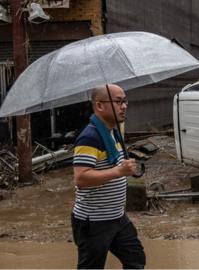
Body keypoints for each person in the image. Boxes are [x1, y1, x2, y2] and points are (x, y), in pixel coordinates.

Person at [71, 84, 146, 269]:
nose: (124, 106)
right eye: (118, 102)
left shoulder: (114, 133)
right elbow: (81, 178)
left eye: (125, 101)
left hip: (117, 216)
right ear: (99, 105)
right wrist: (119, 172)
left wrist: (128, 168)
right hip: (94, 220)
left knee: (136, 260)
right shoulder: (90, 137)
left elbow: (115, 166)